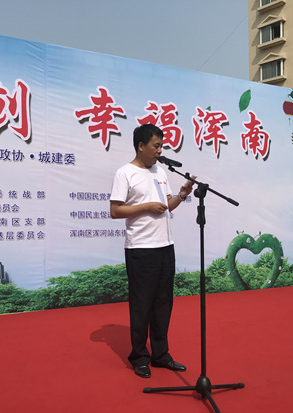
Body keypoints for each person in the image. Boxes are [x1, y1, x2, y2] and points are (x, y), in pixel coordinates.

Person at [110, 124, 194, 378]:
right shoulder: (125, 173)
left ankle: (160, 354)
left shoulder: (160, 171)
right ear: (141, 146)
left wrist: (181, 195)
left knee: (163, 303)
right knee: (142, 305)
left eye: (161, 146)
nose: (160, 151)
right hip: (140, 248)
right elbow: (115, 210)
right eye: (156, 146)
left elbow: (166, 206)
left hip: (165, 246)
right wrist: (145, 207)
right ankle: (139, 356)